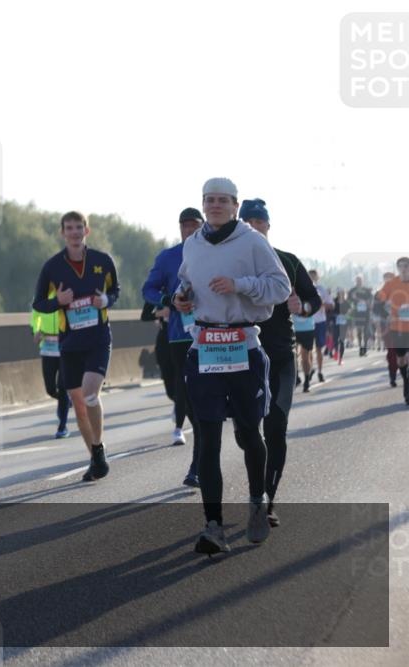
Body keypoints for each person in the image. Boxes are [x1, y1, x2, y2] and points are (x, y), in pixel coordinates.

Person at [174, 178, 290, 555]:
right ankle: (213, 526)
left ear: (235, 206)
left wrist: (239, 284)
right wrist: (182, 297)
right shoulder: (192, 244)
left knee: (248, 433)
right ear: (203, 204)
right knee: (207, 438)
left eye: (223, 200)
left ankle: (257, 502)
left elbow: (281, 288)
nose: (216, 206)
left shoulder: (253, 242)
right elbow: (186, 282)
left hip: (243, 345)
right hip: (205, 346)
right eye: (210, 200)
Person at [239, 198, 320, 528]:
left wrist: (302, 307)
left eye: (260, 221)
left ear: (268, 227)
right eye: (249, 222)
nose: (255, 226)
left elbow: (313, 300)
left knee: (276, 427)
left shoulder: (288, 261)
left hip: (281, 358)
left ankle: (266, 502)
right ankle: (257, 492)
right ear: (241, 225)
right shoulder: (232, 263)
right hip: (241, 359)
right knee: (246, 434)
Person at [32, 211, 120, 482]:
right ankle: (95, 455)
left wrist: (105, 301)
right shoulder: (52, 266)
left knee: (90, 394)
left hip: (97, 339)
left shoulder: (102, 261)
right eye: (69, 228)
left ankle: (98, 449)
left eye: (78, 227)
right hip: (69, 344)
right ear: (62, 233)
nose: (74, 232)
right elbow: (38, 303)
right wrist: (57, 300)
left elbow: (115, 291)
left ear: (86, 231)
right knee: (78, 404)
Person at [142, 207, 204, 485]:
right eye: (185, 226)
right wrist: (169, 301)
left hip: (216, 334)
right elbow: (149, 290)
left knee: (210, 398)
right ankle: (198, 463)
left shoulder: (217, 253)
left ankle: (202, 459)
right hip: (180, 337)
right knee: (191, 397)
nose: (189, 230)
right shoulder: (167, 257)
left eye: (194, 226)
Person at [31, 304, 71, 438]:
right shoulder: (41, 295)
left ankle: (62, 426)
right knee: (50, 389)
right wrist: (36, 330)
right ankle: (65, 401)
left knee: (63, 386)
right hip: (47, 347)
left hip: (65, 347)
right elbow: (35, 316)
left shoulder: (66, 290)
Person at [376, 257, 409, 405]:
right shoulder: (391, 284)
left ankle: (407, 389)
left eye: (406, 266)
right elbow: (379, 301)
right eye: (401, 266)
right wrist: (386, 313)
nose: (403, 269)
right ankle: (405, 377)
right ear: (397, 268)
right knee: (401, 359)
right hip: (397, 328)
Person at [307, 269, 333, 384]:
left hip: (320, 322)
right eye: (310, 276)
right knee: (307, 350)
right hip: (307, 322)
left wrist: (322, 304)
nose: (312, 278)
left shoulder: (322, 289)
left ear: (317, 277)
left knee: (319, 349)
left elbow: (331, 305)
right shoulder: (304, 289)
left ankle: (320, 371)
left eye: (314, 276)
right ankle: (310, 369)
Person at [348, 275, 374, 356]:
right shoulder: (352, 290)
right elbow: (348, 301)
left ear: (363, 281)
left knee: (365, 331)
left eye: (360, 280)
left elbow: (371, 299)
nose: (359, 281)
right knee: (359, 331)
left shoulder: (366, 290)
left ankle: (365, 347)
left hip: (366, 313)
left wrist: (369, 305)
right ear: (355, 281)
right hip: (357, 313)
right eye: (357, 280)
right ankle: (360, 348)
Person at [331, 288, 347, 364]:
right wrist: (335, 316)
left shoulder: (346, 302)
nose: (340, 294)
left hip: (343, 324)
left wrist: (346, 315)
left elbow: (350, 311)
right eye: (339, 293)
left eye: (342, 293)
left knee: (342, 341)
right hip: (335, 323)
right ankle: (336, 352)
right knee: (335, 339)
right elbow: (330, 311)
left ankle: (340, 359)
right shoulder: (334, 301)